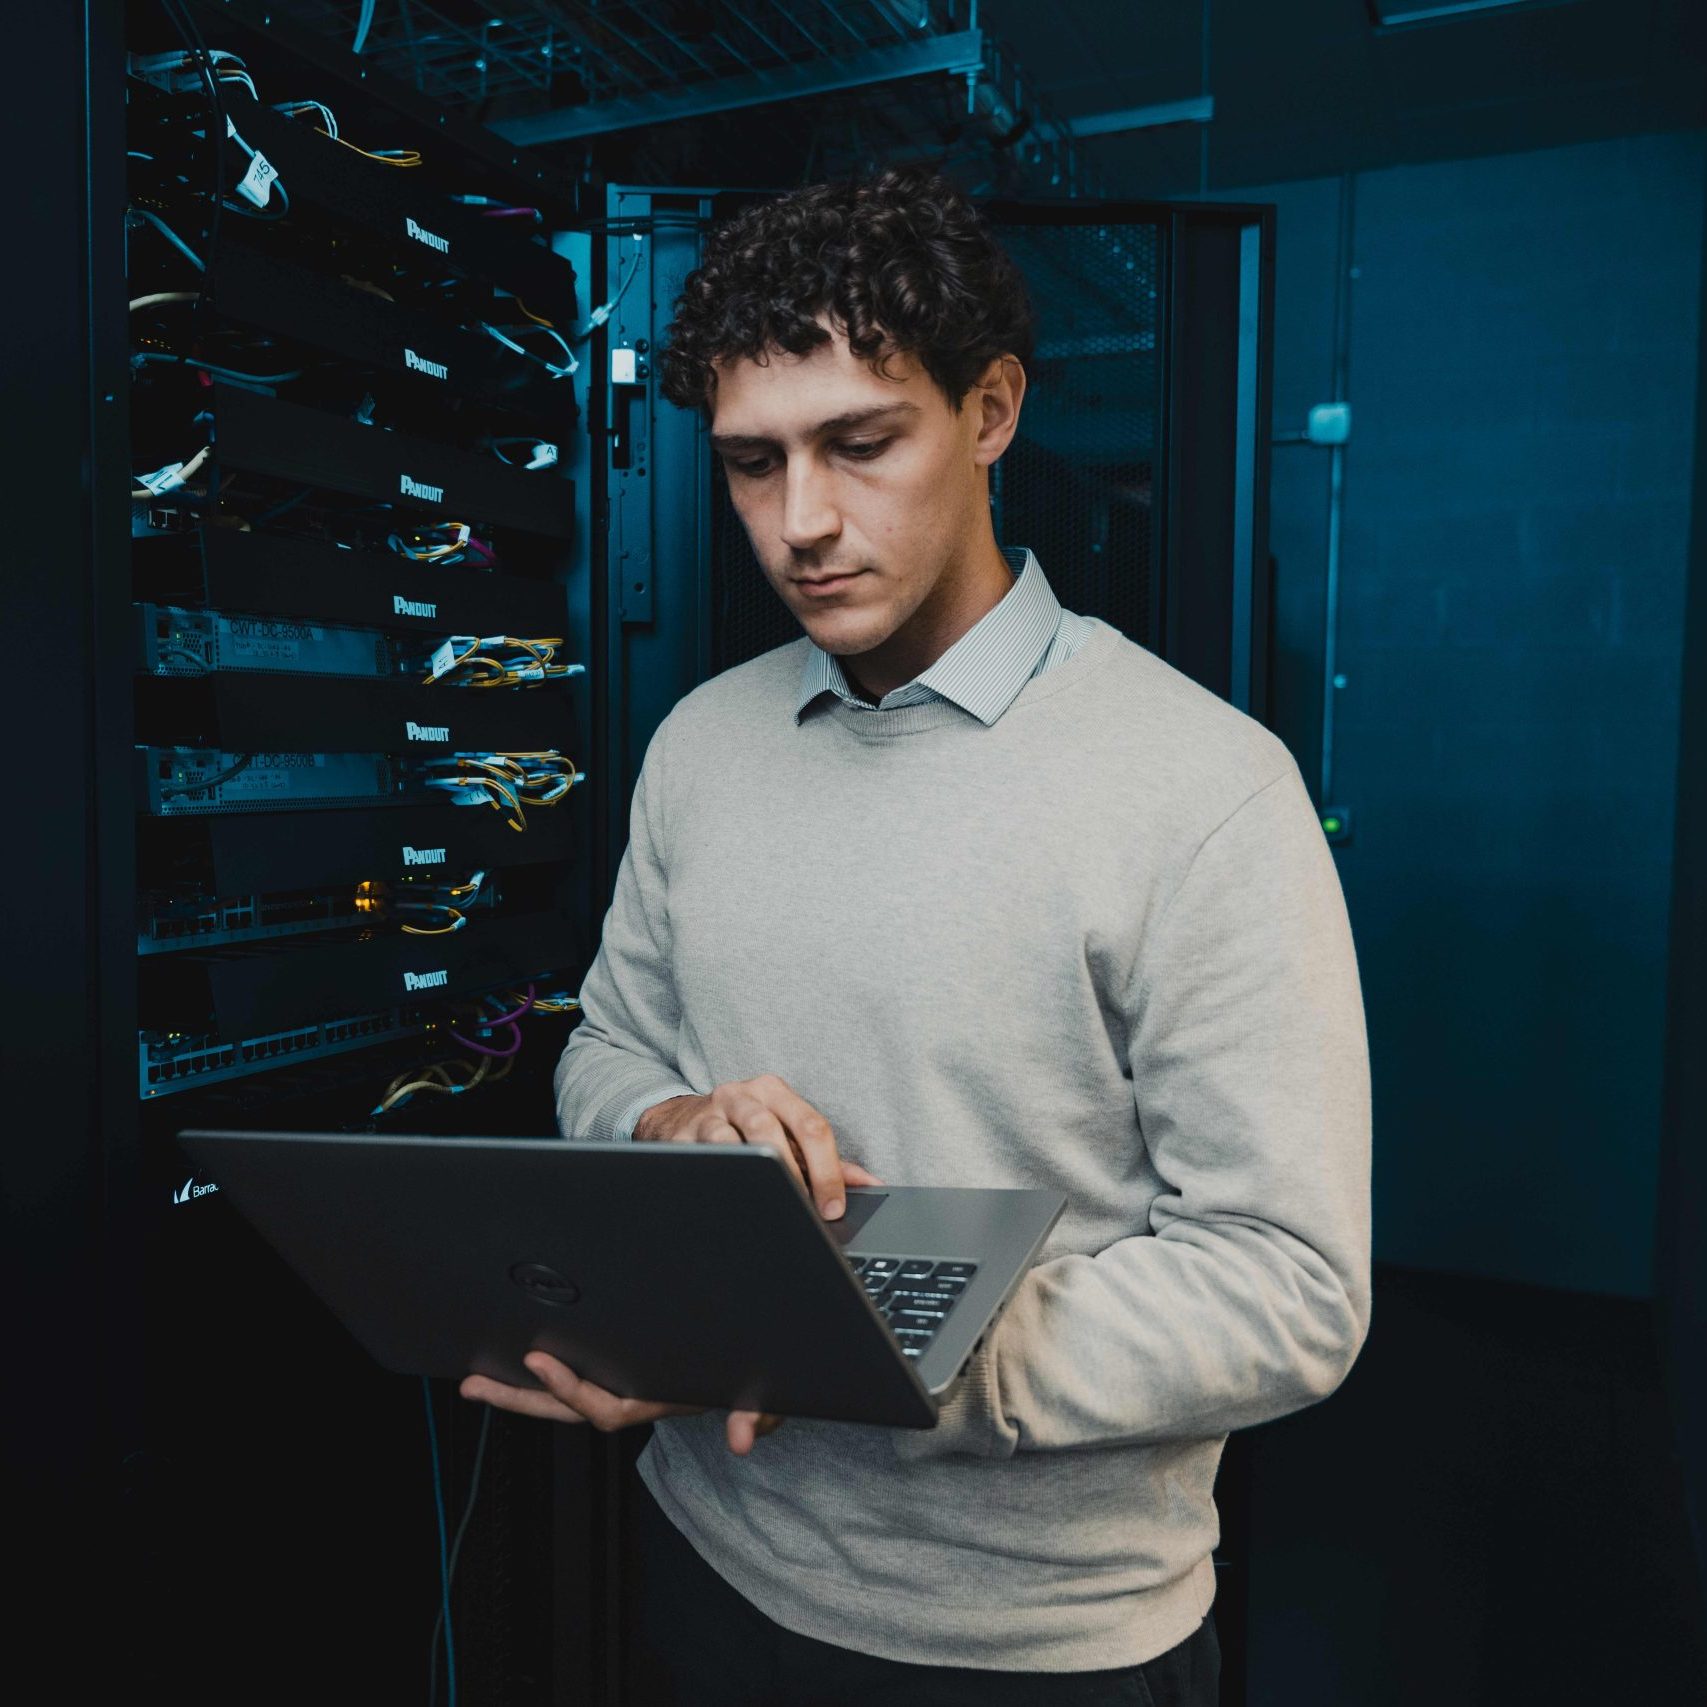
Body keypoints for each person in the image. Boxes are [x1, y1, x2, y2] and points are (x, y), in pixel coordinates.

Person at [461, 165, 1372, 1707]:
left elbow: (1290, 1284)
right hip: (707, 1554)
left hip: (1026, 1642)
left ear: (993, 412)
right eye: (753, 466)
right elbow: (607, 1046)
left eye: (860, 444)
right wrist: (669, 1119)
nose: (802, 523)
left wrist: (874, 1340)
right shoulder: (703, 745)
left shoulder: (1206, 786)